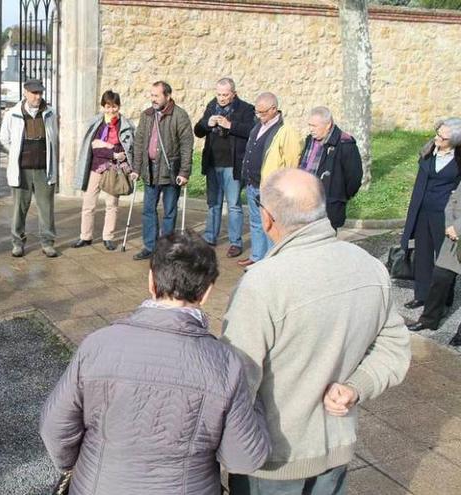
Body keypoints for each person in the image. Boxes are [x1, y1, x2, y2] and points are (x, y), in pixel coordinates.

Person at [222, 169, 411, 494]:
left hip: (271, 462)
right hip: (336, 448)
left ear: (267, 219)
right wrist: (355, 387)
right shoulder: (371, 267)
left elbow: (236, 381)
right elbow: (395, 348)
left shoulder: (262, 283)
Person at [40, 231, 270, 493]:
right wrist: (257, 400)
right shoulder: (226, 364)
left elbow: (54, 427)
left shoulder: (98, 344)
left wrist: (81, 465)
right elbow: (244, 457)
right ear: (206, 293)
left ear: (151, 280)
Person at [399, 118, 461, 309]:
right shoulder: (429, 151)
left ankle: (444, 298)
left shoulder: (459, 158)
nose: (437, 139)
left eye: (442, 137)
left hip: (445, 215)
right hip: (422, 210)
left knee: (444, 260)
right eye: (437, 133)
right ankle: (422, 294)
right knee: (423, 254)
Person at [236, 92, 302, 267]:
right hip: (253, 184)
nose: (259, 116)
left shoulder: (286, 131)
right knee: (256, 222)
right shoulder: (258, 126)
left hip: (271, 188)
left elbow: (291, 163)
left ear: (274, 109)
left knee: (271, 225)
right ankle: (257, 257)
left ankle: (272, 261)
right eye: (257, 112)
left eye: (263, 112)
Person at [130, 81, 194, 261]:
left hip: (171, 171)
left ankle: (167, 249)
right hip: (150, 170)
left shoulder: (179, 116)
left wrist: (184, 172)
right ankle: (150, 246)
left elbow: (187, 145)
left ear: (167, 96)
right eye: (151, 95)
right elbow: (139, 143)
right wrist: (136, 168)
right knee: (148, 210)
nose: (153, 99)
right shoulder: (147, 115)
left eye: (156, 95)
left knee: (169, 212)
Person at [193, 77, 255, 258]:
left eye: (225, 95)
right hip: (213, 163)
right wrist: (207, 123)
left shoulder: (245, 108)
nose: (221, 98)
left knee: (234, 205)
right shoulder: (212, 106)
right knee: (213, 203)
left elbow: (251, 130)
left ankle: (235, 242)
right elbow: (198, 131)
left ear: (233, 93)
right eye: (219, 94)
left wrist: (230, 125)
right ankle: (210, 237)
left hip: (232, 164)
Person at [0, 78, 60, 258]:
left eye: (40, 93)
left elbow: (54, 137)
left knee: (46, 208)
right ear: (25, 93)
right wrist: (17, 152)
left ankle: (47, 243)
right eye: (34, 93)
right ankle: (17, 243)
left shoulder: (50, 113)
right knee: (19, 208)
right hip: (22, 169)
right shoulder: (13, 114)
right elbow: (4, 139)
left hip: (43, 169)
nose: (38, 96)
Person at [71, 90, 135, 251]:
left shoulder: (125, 125)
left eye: (114, 106)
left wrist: (105, 145)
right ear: (103, 106)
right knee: (88, 204)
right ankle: (85, 236)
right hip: (95, 168)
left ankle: (108, 237)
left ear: (118, 106)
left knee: (112, 204)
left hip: (114, 170)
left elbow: (126, 148)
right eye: (107, 106)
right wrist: (112, 151)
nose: (111, 110)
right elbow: (93, 149)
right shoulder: (97, 124)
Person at [407, 184, 461, 346]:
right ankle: (429, 319)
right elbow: (452, 201)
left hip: (457, 231)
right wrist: (450, 227)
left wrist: (458, 228)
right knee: (440, 277)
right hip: (453, 239)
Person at [300, 106, 363, 229]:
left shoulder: (345, 144)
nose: (311, 129)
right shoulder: (310, 140)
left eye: (314, 126)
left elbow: (354, 179)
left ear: (328, 125)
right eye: (310, 125)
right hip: (306, 204)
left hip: (328, 206)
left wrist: (339, 195)